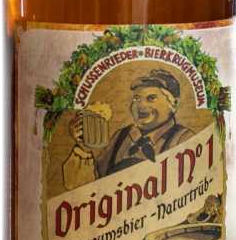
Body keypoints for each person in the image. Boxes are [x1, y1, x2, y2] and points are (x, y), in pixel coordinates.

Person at [63, 69, 192, 189]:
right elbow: (84, 188)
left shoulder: (184, 139)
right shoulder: (121, 136)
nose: (141, 106)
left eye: (151, 98)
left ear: (174, 104)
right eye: (136, 99)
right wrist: (83, 149)